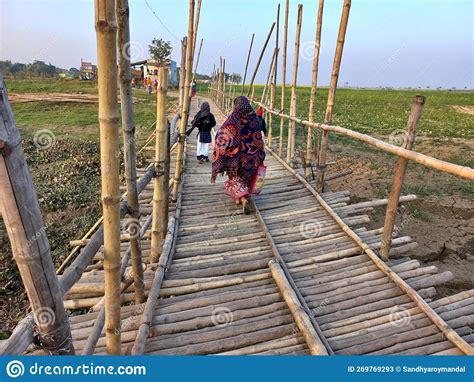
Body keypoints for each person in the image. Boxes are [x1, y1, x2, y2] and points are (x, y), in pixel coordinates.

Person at [211, 96, 266, 214]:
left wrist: (220, 146)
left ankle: (242, 199)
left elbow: (223, 133)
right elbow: (258, 137)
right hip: (251, 157)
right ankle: (242, 197)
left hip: (236, 157)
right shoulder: (254, 118)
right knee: (245, 178)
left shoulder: (234, 117)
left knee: (234, 177)